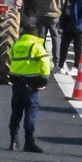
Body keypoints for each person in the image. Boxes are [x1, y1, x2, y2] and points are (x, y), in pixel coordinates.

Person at [7, 20, 53, 153]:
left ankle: (13, 139)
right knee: (30, 114)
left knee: (16, 112)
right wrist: (44, 81)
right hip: (32, 85)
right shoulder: (36, 46)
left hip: (17, 83)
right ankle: (29, 141)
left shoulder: (16, 45)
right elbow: (45, 64)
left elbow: (10, 58)